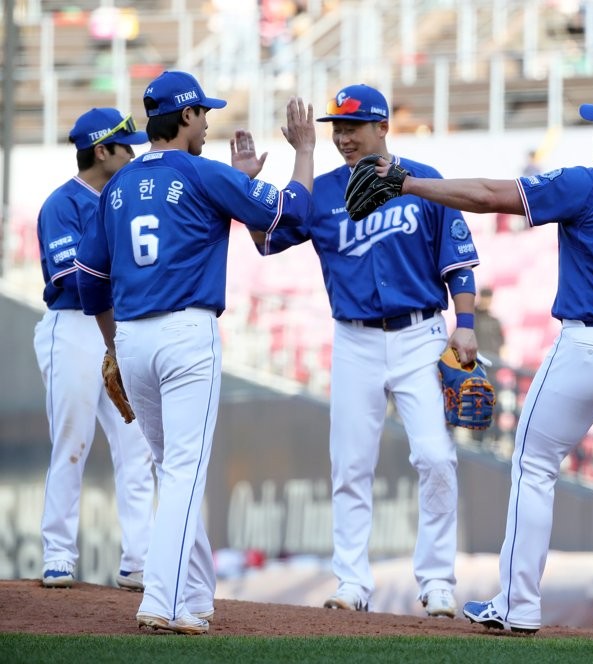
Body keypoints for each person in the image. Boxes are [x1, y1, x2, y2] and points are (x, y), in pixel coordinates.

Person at [367, 84, 593, 638]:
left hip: (590, 340)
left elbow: (487, 195)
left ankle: (518, 605)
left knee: (533, 465)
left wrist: (407, 182)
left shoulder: (588, 182)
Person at [73, 70, 316, 634]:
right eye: (202, 113)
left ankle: (196, 595)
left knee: (170, 468)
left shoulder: (117, 186)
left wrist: (112, 347)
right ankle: (160, 601)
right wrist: (304, 151)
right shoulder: (202, 173)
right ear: (184, 117)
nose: (207, 122)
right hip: (186, 335)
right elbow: (292, 213)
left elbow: (89, 279)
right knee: (183, 470)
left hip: (131, 338)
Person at [250, 83, 480, 619]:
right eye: (336, 128)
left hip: (419, 332)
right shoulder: (323, 190)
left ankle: (439, 581)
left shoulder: (422, 180)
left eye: (353, 126)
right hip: (354, 338)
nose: (343, 137)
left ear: (382, 127)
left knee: (437, 457)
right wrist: (247, 183)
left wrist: (464, 323)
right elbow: (267, 239)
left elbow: (459, 260)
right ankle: (352, 581)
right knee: (351, 464)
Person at [33, 107, 156, 591]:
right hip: (74, 325)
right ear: (101, 150)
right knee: (73, 439)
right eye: (125, 145)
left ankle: (138, 560)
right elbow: (73, 277)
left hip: (120, 325)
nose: (133, 151)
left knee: (138, 445)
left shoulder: (126, 196)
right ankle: (58, 552)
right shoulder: (62, 203)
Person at [474, 286, 505, 365]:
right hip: (475, 359)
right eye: (485, 298)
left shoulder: (494, 321)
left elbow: (501, 342)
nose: (487, 301)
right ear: (480, 298)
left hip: (492, 361)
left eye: (489, 298)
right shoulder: (469, 318)